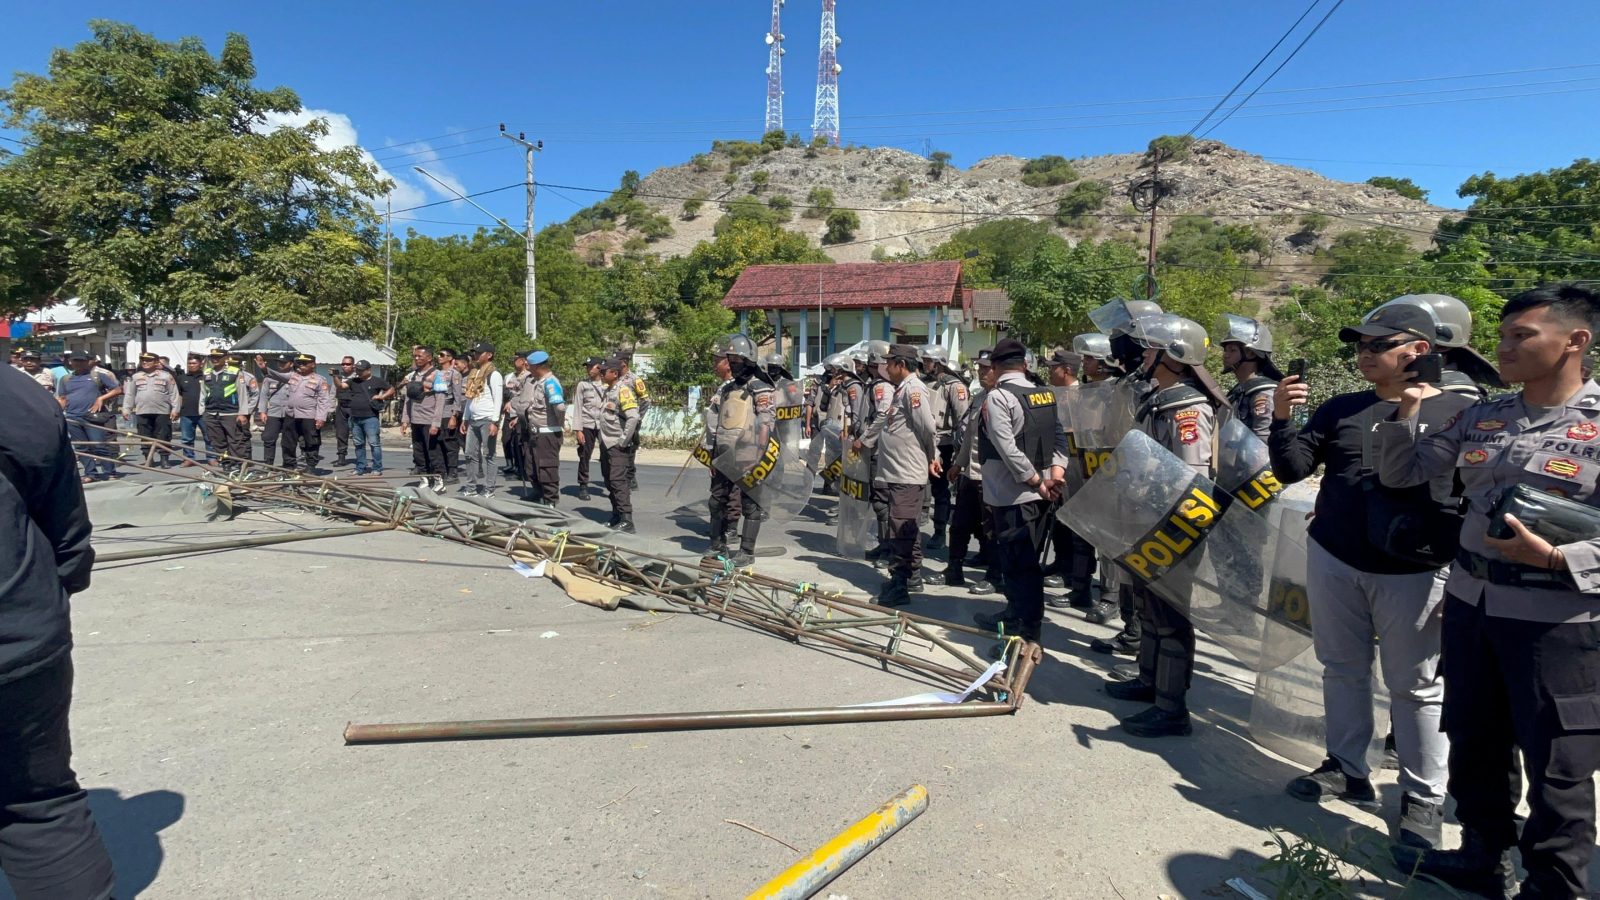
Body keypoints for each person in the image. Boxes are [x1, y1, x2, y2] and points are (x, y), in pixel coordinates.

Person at [1377, 283, 1600, 898]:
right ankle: (1483, 855)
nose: (1503, 348)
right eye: (1501, 336)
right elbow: (1403, 474)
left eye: (1520, 336)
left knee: (1558, 766)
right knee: (1475, 738)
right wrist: (1407, 410)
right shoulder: (1485, 414)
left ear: (1576, 341)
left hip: (1558, 622)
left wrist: (1559, 556)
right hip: (1474, 607)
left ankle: (1556, 885)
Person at [1268, 302, 1473, 847]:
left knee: (1416, 686)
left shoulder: (1460, 412)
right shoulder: (1341, 408)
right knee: (1341, 667)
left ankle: (1423, 795)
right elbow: (1291, 470)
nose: (1365, 353)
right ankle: (1348, 768)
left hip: (1416, 570)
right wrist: (1283, 418)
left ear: (1419, 351)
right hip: (1335, 556)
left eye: (1378, 344)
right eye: (1360, 344)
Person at [0, 365, 117, 900]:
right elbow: (67, 532)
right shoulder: (15, 393)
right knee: (38, 807)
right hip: (18, 636)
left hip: (20, 636)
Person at [1101, 314, 1224, 739]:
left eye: (1152, 350)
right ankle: (1149, 681)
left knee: (1170, 615)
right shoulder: (1160, 398)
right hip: (1146, 520)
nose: (1145, 356)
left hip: (1173, 525)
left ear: (1173, 356)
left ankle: (1172, 708)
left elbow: (1190, 476)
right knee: (1151, 610)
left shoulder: (1188, 408)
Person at [970, 339, 1068, 656]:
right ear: (1024, 365)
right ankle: (1014, 618)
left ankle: (1025, 637)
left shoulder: (999, 396)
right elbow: (1059, 439)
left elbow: (1006, 448)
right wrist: (1056, 474)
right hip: (1039, 491)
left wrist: (1037, 481)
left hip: (1013, 494)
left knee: (1020, 566)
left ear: (996, 367)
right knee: (1022, 564)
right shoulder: (1044, 394)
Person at [863, 344, 938, 604]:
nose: (886, 368)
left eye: (889, 363)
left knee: (901, 529)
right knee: (906, 526)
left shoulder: (914, 390)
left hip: (907, 471)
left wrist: (932, 457)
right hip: (899, 471)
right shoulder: (903, 389)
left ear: (901, 364)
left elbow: (928, 428)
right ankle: (912, 577)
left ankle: (900, 585)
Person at [708, 335, 775, 565]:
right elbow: (718, 423)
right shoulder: (726, 389)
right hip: (724, 455)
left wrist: (758, 455)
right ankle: (717, 545)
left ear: (749, 360)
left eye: (738, 359)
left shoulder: (760, 388)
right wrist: (712, 455)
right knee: (716, 501)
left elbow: (766, 422)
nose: (733, 363)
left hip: (749, 454)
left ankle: (746, 551)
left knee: (750, 505)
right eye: (731, 359)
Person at [1363, 293, 1504, 403]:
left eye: (1380, 345)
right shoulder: (1406, 387)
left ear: (1440, 346)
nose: (1366, 353)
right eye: (1362, 346)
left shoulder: (1456, 394)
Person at [1040, 347, 1090, 607]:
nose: (1049, 370)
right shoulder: (1054, 395)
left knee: (1076, 527)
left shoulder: (1083, 397)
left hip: (1077, 469)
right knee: (1058, 520)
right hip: (1057, 466)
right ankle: (1061, 564)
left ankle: (1075, 577)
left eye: (1053, 367)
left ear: (1067, 370)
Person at [945, 350, 998, 590]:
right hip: (970, 473)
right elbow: (969, 436)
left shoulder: (1005, 398)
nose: (982, 372)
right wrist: (958, 463)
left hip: (992, 477)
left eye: (987, 368)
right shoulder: (978, 398)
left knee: (991, 529)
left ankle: (995, 575)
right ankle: (954, 568)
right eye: (980, 368)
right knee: (959, 525)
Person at [922, 345, 970, 555]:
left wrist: (960, 451)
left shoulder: (954, 385)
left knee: (940, 490)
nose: (924, 364)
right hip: (924, 441)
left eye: (928, 361)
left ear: (939, 362)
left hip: (945, 443)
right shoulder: (923, 383)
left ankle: (940, 531)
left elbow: (962, 420)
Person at [256, 354, 333, 473]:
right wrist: (264, 368)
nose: (301, 365)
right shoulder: (293, 376)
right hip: (291, 415)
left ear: (312, 364)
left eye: (304, 363)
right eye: (299, 363)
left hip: (309, 416)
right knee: (288, 442)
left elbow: (324, 400)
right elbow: (277, 375)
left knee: (311, 442)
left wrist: (321, 417)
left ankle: (311, 466)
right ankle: (289, 465)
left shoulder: (319, 380)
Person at [54, 352, 122, 484]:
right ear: (70, 362)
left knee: (99, 446)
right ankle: (91, 474)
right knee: (81, 448)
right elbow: (62, 398)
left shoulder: (97, 376)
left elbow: (117, 389)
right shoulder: (65, 379)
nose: (78, 363)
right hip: (72, 417)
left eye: (82, 361)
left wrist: (101, 398)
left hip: (92, 417)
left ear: (87, 362)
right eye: (75, 361)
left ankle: (110, 472)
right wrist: (57, 415)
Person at [400, 347, 461, 494]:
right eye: (415, 356)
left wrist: (436, 423)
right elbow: (409, 398)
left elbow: (440, 400)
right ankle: (424, 478)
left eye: (420, 356)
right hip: (416, 420)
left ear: (429, 358)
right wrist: (405, 419)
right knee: (418, 452)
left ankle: (439, 480)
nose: (416, 358)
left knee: (433, 452)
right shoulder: (413, 376)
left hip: (429, 420)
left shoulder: (438, 375)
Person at [856, 341, 895, 566]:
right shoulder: (874, 384)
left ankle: (889, 550)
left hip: (879, 450)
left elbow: (881, 416)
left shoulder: (882, 386)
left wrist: (865, 439)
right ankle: (884, 545)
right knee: (877, 500)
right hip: (874, 449)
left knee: (882, 502)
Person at [1218, 314, 1283, 441]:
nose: (1225, 355)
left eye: (1232, 350)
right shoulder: (1240, 390)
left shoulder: (1263, 393)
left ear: (1251, 353)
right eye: (1225, 350)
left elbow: (1263, 443)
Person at [598, 358, 641, 531]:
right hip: (606, 443)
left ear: (614, 373)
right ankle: (616, 515)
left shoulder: (623, 391)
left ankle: (627, 519)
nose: (601, 374)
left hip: (617, 444)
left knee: (618, 482)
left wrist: (623, 440)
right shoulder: (608, 391)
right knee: (609, 481)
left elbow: (633, 417)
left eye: (604, 372)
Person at [198, 349, 257, 469]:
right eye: (212, 357)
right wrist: (202, 411)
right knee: (217, 441)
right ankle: (225, 462)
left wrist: (243, 413)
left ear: (225, 358)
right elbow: (203, 392)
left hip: (231, 412)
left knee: (236, 440)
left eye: (218, 357)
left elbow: (242, 394)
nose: (215, 359)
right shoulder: (207, 373)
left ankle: (238, 464)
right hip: (211, 412)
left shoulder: (234, 372)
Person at [459, 343, 504, 497]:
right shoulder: (474, 372)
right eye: (475, 353)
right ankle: (471, 487)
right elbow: (469, 398)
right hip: (473, 420)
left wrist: (495, 422)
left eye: (479, 353)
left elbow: (498, 399)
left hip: (487, 419)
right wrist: (465, 418)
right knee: (469, 454)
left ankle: (489, 488)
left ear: (489, 355)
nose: (476, 356)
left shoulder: (494, 374)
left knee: (489, 454)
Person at [521, 351, 566, 505]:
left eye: (529, 366)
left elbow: (559, 408)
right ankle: (538, 493)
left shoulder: (550, 383)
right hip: (535, 434)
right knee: (532, 467)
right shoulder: (538, 382)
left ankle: (550, 501)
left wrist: (557, 424)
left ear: (537, 366)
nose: (527, 369)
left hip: (548, 433)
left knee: (547, 469)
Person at [123, 351, 179, 467]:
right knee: (144, 436)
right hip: (142, 411)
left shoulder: (166, 376)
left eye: (148, 360)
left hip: (162, 411)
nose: (145, 362)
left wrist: (175, 409)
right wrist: (126, 409)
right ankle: (149, 459)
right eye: (143, 360)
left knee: (163, 435)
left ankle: (164, 459)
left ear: (156, 362)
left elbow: (174, 393)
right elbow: (130, 394)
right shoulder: (136, 376)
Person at [344, 360, 391, 476]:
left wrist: (382, 396)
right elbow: (341, 386)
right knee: (358, 444)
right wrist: (335, 376)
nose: (358, 372)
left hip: (370, 418)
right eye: (357, 370)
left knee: (374, 444)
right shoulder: (353, 381)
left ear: (368, 370)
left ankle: (377, 468)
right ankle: (360, 467)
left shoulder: (376, 380)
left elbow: (391, 389)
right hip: (355, 417)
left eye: (361, 370)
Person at [570, 357, 605, 501]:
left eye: (592, 366)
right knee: (585, 455)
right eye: (587, 367)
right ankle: (583, 485)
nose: (589, 369)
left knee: (608, 456)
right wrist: (578, 429)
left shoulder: (608, 384)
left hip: (604, 425)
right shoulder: (583, 385)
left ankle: (610, 483)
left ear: (600, 368)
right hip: (587, 424)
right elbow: (577, 407)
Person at [615, 348, 651, 491]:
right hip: (616, 420)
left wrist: (638, 417)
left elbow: (646, 400)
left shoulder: (634, 379)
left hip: (630, 419)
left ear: (624, 363)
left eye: (618, 360)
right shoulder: (614, 377)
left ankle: (630, 477)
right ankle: (620, 476)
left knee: (630, 449)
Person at [255, 355, 295, 467]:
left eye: (284, 363)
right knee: (268, 438)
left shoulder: (295, 377)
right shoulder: (268, 378)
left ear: (291, 364)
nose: (280, 365)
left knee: (288, 441)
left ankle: (288, 466)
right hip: (274, 412)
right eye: (279, 362)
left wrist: (264, 369)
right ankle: (268, 464)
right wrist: (262, 411)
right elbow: (264, 395)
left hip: (290, 413)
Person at [501, 351, 533, 480]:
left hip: (520, 413)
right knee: (507, 439)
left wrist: (518, 412)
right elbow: (506, 392)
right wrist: (507, 402)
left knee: (519, 442)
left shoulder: (528, 376)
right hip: (510, 412)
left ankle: (523, 471)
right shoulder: (510, 376)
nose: (514, 361)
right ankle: (513, 465)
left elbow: (525, 396)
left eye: (516, 359)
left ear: (523, 361)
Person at [172, 352, 208, 466]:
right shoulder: (181, 378)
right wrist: (176, 410)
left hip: (204, 413)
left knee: (209, 437)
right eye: (189, 363)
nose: (191, 365)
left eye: (194, 363)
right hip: (186, 412)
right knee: (187, 438)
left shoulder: (206, 377)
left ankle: (212, 457)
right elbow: (179, 395)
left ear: (200, 364)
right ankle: (189, 458)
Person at [436, 349, 464, 483]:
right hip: (437, 413)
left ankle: (453, 472)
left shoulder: (455, 374)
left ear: (450, 358)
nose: (439, 357)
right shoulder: (437, 373)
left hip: (448, 411)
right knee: (439, 442)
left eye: (442, 355)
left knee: (450, 443)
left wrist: (454, 415)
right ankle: (442, 471)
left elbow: (458, 397)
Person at [330, 356, 357, 466]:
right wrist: (330, 409)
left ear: (353, 365)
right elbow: (332, 393)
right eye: (343, 364)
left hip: (355, 408)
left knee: (357, 434)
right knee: (341, 433)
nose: (345, 366)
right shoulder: (338, 377)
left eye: (348, 364)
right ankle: (341, 457)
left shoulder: (357, 377)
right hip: (342, 406)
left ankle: (361, 458)